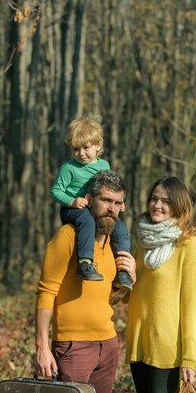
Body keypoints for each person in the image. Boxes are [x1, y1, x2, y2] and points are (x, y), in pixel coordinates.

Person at [35, 170, 137, 393]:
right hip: (73, 346)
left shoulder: (116, 244)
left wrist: (131, 277)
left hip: (108, 344)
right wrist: (41, 346)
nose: (111, 208)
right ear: (89, 200)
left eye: (118, 203)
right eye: (106, 201)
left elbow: (114, 298)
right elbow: (46, 291)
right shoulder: (68, 236)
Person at [124, 176, 196, 393]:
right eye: (154, 199)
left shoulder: (187, 244)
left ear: (179, 205)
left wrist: (189, 359)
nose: (157, 205)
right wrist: (126, 275)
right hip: (139, 341)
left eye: (166, 201)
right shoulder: (142, 238)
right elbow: (130, 295)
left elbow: (189, 306)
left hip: (167, 349)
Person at [51, 114, 133, 290]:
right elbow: (56, 190)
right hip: (73, 209)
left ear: (98, 146)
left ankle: (123, 271)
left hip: (95, 208)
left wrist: (119, 203)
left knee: (120, 227)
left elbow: (111, 187)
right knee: (87, 220)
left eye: (86, 148)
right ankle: (85, 263)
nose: (81, 153)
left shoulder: (104, 165)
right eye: (75, 149)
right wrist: (71, 201)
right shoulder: (68, 169)